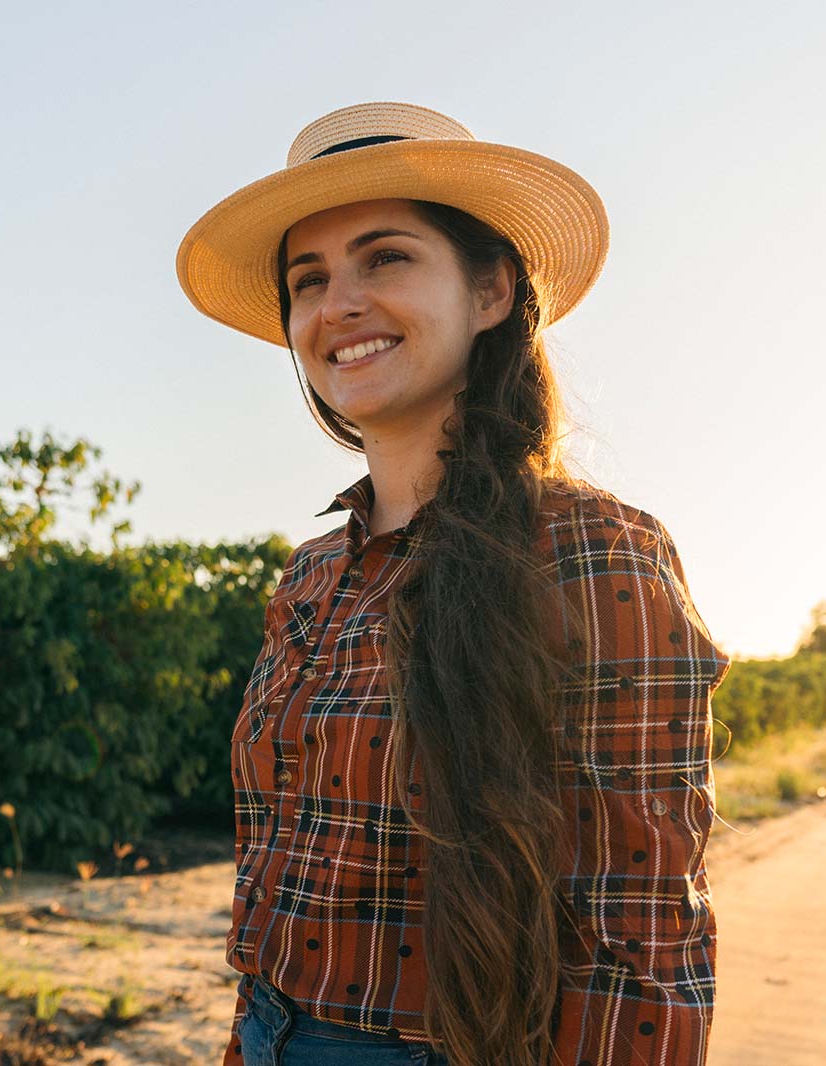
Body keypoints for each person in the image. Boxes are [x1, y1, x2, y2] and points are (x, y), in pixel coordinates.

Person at [176, 101, 731, 1066]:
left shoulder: (592, 552)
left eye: (384, 258)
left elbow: (639, 940)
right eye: (309, 281)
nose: (337, 304)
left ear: (490, 293)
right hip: (265, 1035)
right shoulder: (312, 576)